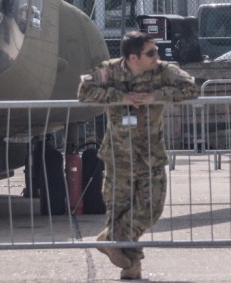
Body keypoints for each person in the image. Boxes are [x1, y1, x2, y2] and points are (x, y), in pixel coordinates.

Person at [78, 31, 198, 280]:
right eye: (151, 52)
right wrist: (120, 98)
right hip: (119, 155)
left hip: (150, 154)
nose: (157, 56)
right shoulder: (109, 71)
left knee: (151, 207)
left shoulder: (163, 71)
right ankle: (131, 266)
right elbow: (84, 90)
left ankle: (110, 239)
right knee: (120, 211)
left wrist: (157, 96)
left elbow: (190, 87)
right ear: (133, 57)